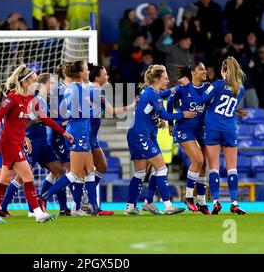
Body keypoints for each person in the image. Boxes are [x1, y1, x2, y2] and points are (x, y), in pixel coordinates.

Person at [0, 65, 73, 224]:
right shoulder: (12, 98)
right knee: (28, 176)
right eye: (34, 81)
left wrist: (63, 132)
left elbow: (46, 119)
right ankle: (39, 214)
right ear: (25, 82)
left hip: (18, 144)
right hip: (9, 144)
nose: (37, 84)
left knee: (4, 181)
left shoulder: (31, 100)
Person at [179, 56, 247, 215]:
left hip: (213, 128)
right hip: (230, 128)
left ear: (223, 71)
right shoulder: (241, 88)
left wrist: (188, 85)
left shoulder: (216, 85)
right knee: (232, 169)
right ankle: (234, 203)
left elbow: (200, 100)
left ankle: (216, 201)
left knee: (214, 167)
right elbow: (226, 103)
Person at [125, 65, 196, 216]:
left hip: (139, 134)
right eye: (165, 78)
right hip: (141, 136)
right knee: (162, 168)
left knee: (140, 172)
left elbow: (159, 100)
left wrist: (173, 90)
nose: (168, 80)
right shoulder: (152, 94)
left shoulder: (149, 91)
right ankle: (168, 205)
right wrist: (183, 114)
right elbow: (164, 114)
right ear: (157, 79)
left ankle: (134, 206)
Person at [41, 61, 105, 216]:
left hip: (79, 130)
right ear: (80, 73)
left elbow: (63, 109)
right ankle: (44, 197)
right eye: (86, 70)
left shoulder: (70, 89)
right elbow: (83, 113)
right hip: (79, 132)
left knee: (90, 171)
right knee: (75, 174)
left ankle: (91, 207)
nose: (88, 72)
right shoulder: (79, 90)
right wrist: (97, 108)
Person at [85, 64, 136, 214]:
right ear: (97, 77)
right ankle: (88, 205)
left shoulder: (93, 91)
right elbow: (112, 111)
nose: (107, 76)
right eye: (105, 74)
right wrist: (131, 105)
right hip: (86, 136)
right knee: (77, 173)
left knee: (101, 167)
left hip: (92, 137)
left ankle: (87, 202)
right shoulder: (94, 91)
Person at [167, 61, 211, 214]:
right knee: (198, 160)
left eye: (205, 69)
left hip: (200, 130)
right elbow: (170, 102)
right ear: (192, 72)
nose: (204, 71)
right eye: (201, 69)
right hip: (184, 128)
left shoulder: (207, 88)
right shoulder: (182, 89)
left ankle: (202, 201)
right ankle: (188, 197)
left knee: (204, 164)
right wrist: (170, 123)